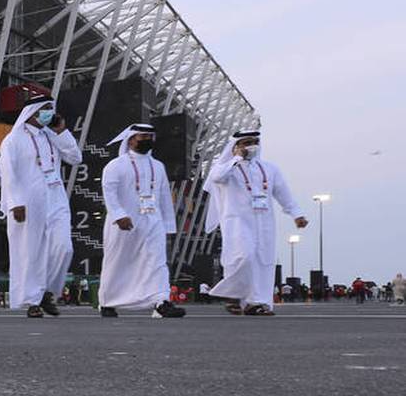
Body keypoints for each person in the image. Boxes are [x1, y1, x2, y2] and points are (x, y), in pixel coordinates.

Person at [204, 130, 307, 316]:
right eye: (245, 142)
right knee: (244, 256)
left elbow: (283, 193)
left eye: (253, 142)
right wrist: (235, 159)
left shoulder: (270, 168)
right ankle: (232, 294)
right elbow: (217, 178)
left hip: (264, 221)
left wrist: (296, 214)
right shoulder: (226, 167)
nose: (250, 146)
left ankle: (255, 302)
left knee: (263, 261)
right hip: (237, 221)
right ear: (235, 146)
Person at [0, 95, 82, 317]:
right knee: (30, 251)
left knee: (64, 247)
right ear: (32, 112)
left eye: (51, 109)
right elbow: (8, 173)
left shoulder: (52, 137)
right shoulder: (13, 140)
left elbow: (75, 158)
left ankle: (47, 292)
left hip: (56, 197)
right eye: (45, 109)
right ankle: (33, 301)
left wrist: (62, 132)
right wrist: (15, 203)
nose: (49, 113)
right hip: (28, 201)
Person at [97, 123, 185, 318]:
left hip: (153, 220)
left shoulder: (158, 166)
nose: (147, 141)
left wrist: (169, 225)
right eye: (142, 137)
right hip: (123, 223)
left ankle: (161, 301)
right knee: (118, 261)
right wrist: (119, 215)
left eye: (150, 137)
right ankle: (108, 302)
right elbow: (109, 193)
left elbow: (163, 196)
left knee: (157, 261)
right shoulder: (115, 166)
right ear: (131, 140)